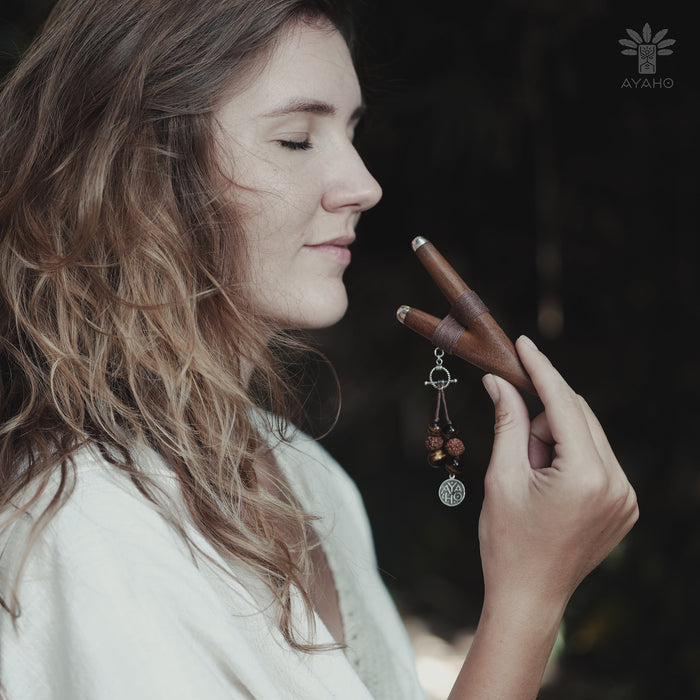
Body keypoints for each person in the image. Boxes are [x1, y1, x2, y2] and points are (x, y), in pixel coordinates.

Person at [0, 0, 638, 698]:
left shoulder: (311, 477)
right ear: (142, 177)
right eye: (297, 139)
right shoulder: (86, 538)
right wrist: (528, 600)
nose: (366, 186)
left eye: (352, 130)